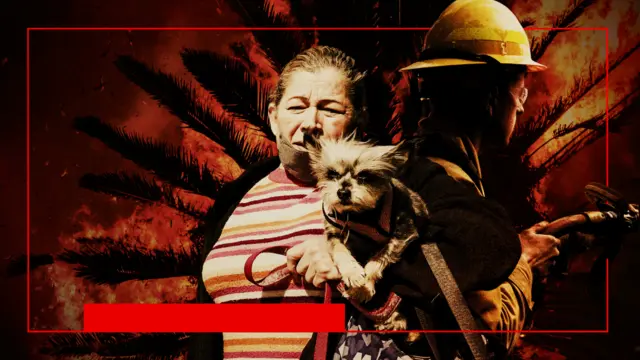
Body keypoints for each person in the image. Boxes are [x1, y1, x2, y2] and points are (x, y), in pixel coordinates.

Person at [189, 43, 555, 360]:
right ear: (273, 116)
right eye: (296, 107)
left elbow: (489, 241)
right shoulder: (234, 198)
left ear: (358, 121)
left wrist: (359, 256)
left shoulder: (394, 176)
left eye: (330, 109)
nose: (311, 122)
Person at [395, 0, 563, 356]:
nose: (521, 105)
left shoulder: (402, 168)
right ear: (491, 95)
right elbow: (485, 334)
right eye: (520, 89)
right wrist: (525, 263)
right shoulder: (451, 189)